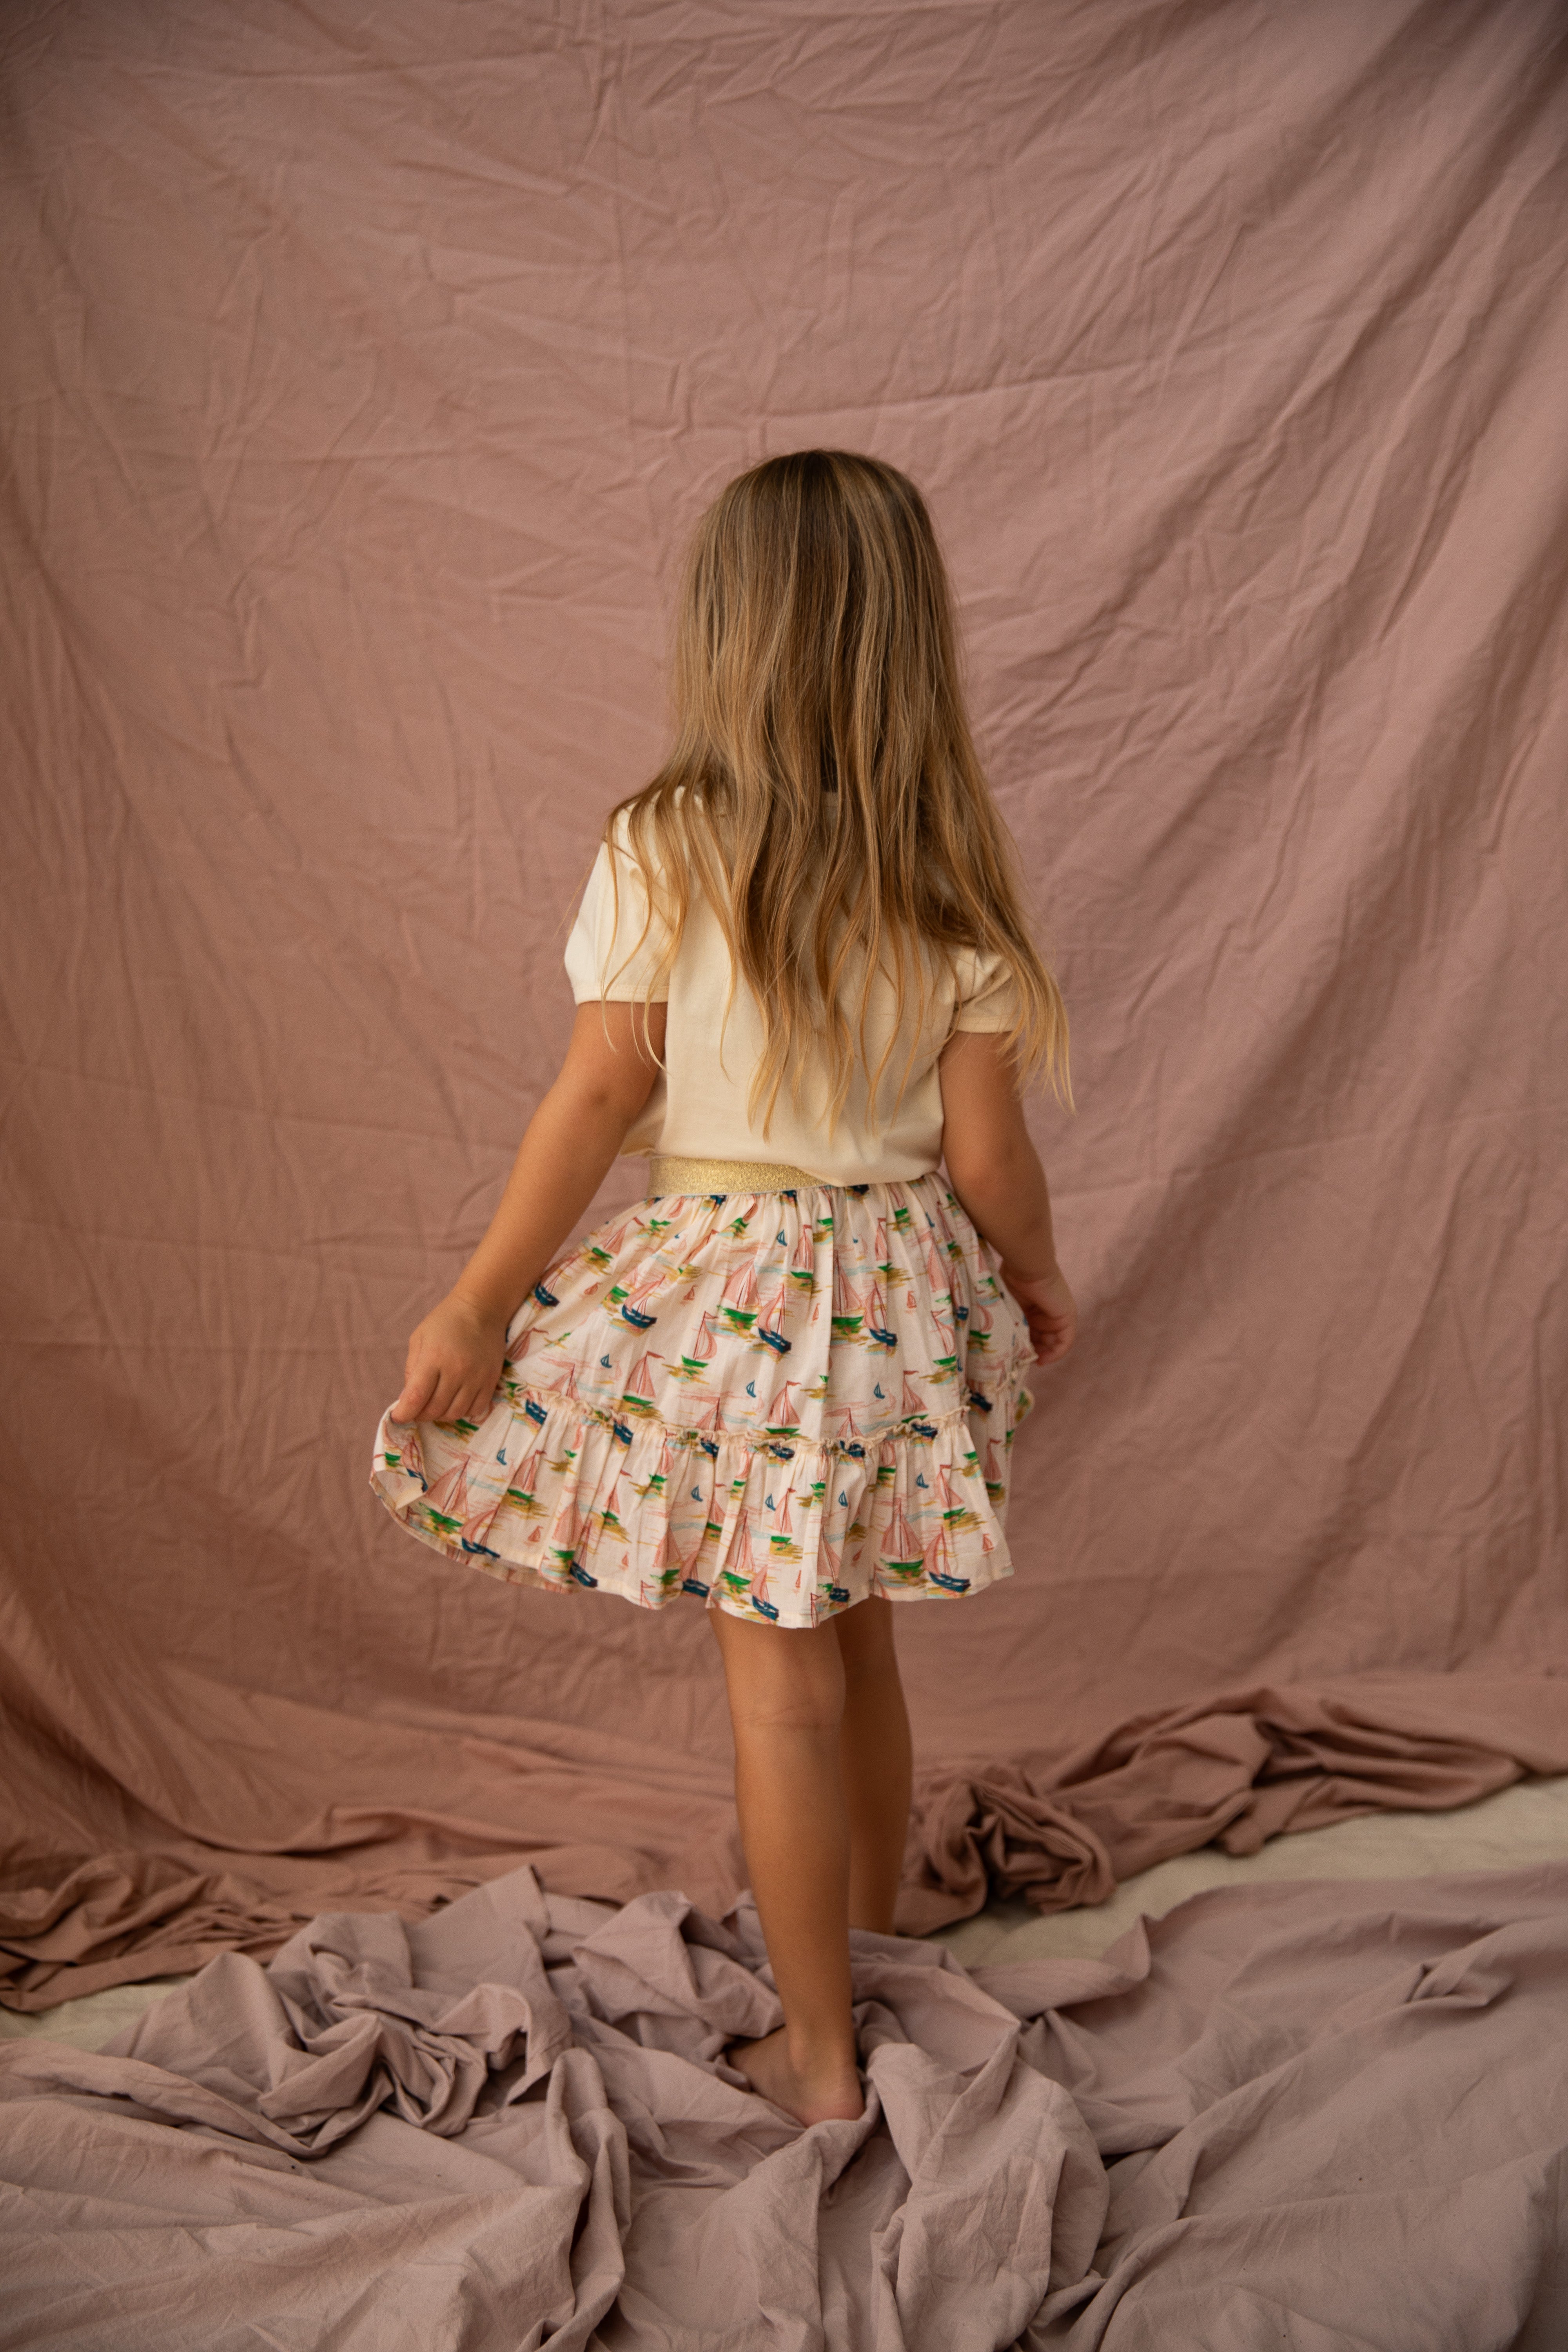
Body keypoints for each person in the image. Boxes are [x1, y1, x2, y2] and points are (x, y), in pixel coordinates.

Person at [370, 450, 1076, 2129]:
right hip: (896, 1287)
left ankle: (821, 2052)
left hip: (743, 1289)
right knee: (863, 1644)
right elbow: (985, 1158)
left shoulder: (667, 844)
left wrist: (479, 1300)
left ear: (729, 634)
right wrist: (1034, 1270)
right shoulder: (945, 870)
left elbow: (597, 1097)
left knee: (779, 1680)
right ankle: (870, 1957)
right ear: (912, 638)